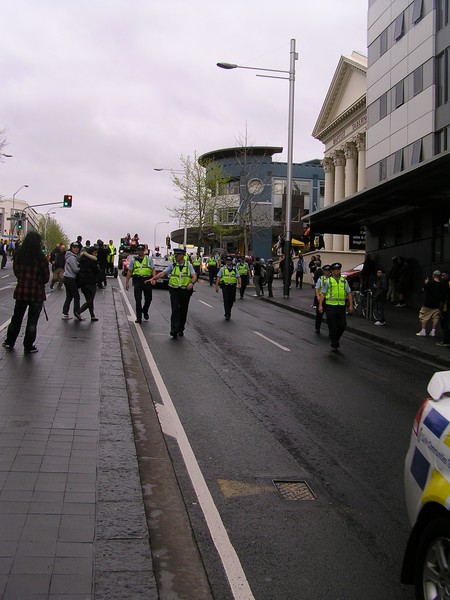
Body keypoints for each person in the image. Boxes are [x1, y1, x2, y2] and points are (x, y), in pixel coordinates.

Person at [2, 231, 49, 353]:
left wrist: (22, 279)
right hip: (36, 292)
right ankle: (28, 346)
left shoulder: (19, 255)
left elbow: (16, 271)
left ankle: (9, 341)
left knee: (16, 318)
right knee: (32, 321)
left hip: (21, 291)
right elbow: (45, 278)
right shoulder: (41, 257)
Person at [147, 247, 196, 338]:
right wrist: (153, 278)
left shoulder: (188, 265)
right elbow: (163, 273)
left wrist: (191, 283)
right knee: (175, 309)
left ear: (181, 256)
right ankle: (174, 329)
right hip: (174, 290)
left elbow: (194, 276)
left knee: (183, 310)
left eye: (176, 255)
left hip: (185, 291)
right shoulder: (173, 265)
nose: (175, 256)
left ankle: (181, 328)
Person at [318, 262, 353, 352]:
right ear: (332, 272)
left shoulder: (344, 281)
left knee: (342, 325)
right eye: (336, 270)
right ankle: (334, 343)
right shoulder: (328, 281)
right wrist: (320, 305)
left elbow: (349, 293)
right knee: (332, 326)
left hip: (341, 307)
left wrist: (351, 305)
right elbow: (323, 293)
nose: (338, 271)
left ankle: (336, 339)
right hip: (330, 307)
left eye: (339, 270)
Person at [125, 245, 155, 324]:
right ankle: (138, 318)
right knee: (138, 299)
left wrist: (153, 279)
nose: (140, 251)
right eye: (139, 250)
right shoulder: (134, 260)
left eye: (142, 250)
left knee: (148, 299)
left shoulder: (148, 259)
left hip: (147, 280)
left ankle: (145, 311)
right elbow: (129, 271)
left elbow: (153, 269)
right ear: (137, 251)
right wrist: (127, 282)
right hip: (137, 281)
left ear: (144, 251)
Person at [416, 270, 446, 337]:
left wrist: (426, 283)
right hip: (437, 304)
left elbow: (424, 290)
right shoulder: (442, 285)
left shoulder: (430, 283)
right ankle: (433, 332)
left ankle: (423, 331)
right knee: (435, 318)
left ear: (433, 275)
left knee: (424, 317)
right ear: (439, 276)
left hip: (428, 303)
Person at [76, 246, 100, 321]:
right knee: (90, 300)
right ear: (91, 253)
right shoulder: (93, 261)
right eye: (95, 253)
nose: (96, 255)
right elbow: (97, 271)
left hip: (83, 283)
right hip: (91, 282)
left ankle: (92, 315)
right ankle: (79, 311)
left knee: (89, 299)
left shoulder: (82, 260)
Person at [215, 255, 241, 320]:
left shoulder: (235, 269)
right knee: (226, 300)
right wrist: (216, 286)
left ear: (231, 261)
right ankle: (227, 313)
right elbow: (218, 277)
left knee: (231, 300)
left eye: (229, 260)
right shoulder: (222, 269)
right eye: (227, 260)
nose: (228, 262)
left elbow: (238, 277)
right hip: (225, 286)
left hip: (232, 286)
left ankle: (228, 310)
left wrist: (239, 283)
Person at [62, 242, 81, 320]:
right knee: (77, 296)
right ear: (71, 248)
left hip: (66, 277)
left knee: (69, 296)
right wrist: (82, 269)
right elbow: (75, 269)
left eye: (77, 247)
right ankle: (77, 312)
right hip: (70, 278)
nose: (76, 249)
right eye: (74, 247)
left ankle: (65, 313)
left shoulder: (70, 256)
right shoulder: (72, 257)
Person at [314, 264, 331, 333]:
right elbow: (317, 288)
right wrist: (318, 297)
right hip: (321, 299)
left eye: (328, 271)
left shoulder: (331, 279)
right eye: (326, 271)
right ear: (324, 271)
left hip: (329, 299)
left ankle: (331, 330)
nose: (327, 272)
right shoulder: (321, 279)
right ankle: (317, 328)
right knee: (319, 315)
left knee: (330, 316)